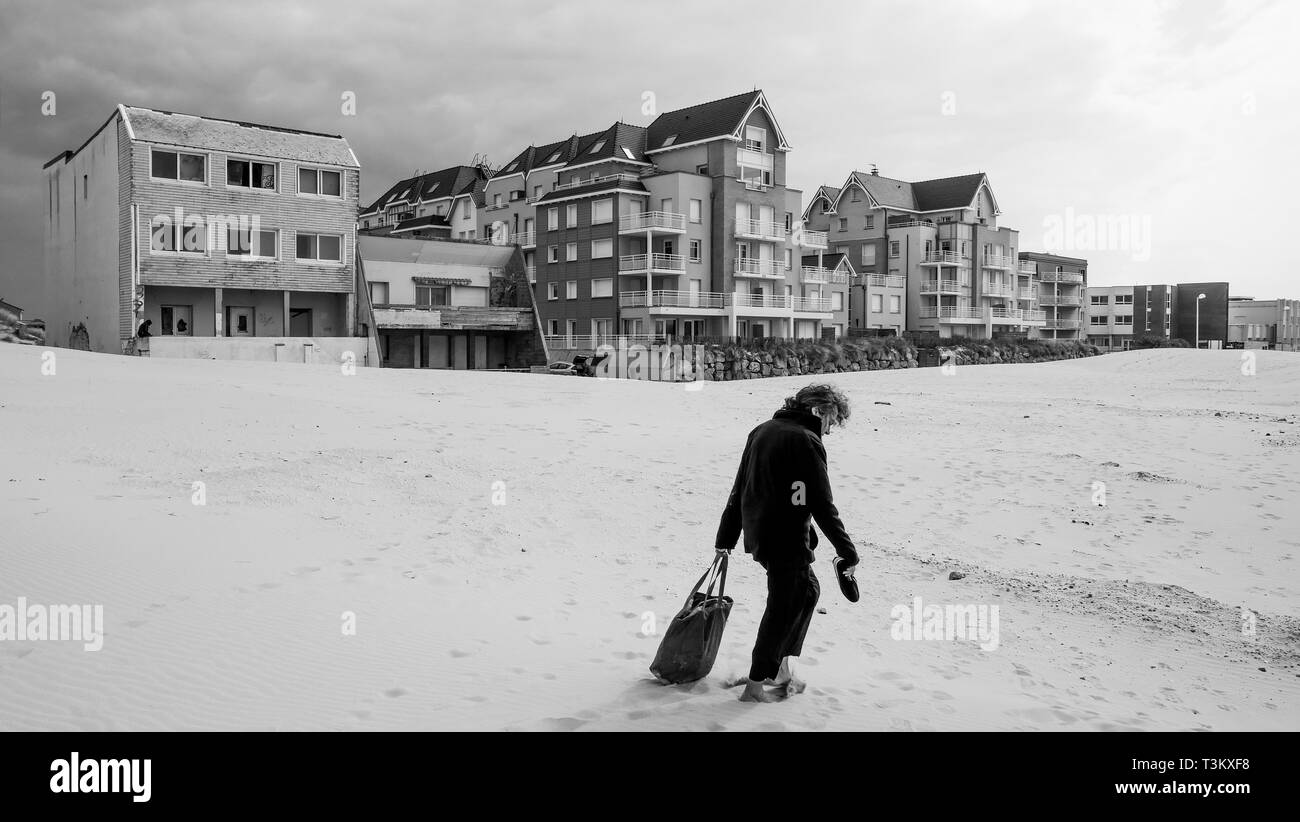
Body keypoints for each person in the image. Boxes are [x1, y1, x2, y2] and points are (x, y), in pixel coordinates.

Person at [715, 383, 859, 703]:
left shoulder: (762, 430)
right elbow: (821, 503)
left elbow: (741, 487)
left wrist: (725, 538)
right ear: (819, 410)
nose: (830, 430)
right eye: (831, 421)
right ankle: (755, 685)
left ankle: (777, 670)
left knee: (806, 592)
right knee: (783, 608)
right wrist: (846, 550)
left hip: (761, 535)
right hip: (785, 539)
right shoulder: (806, 440)